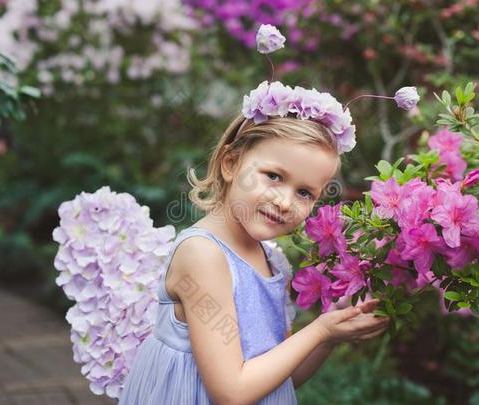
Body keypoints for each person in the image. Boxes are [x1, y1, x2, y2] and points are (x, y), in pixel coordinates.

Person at [118, 80, 391, 404]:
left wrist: (330, 333)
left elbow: (280, 378)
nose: (285, 201)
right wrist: (320, 331)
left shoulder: (273, 261)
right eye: (273, 176)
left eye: (304, 193)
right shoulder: (203, 256)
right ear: (231, 163)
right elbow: (231, 392)